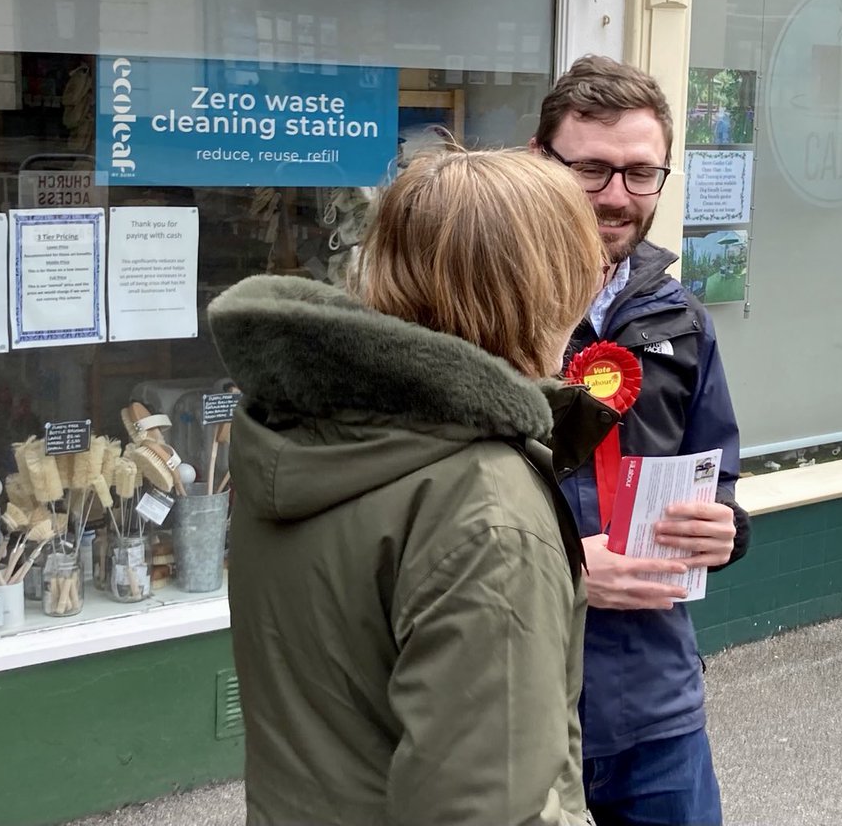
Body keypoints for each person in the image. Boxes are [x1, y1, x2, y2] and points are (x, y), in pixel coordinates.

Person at [208, 149, 618, 826]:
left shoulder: (306, 428)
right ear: (548, 288)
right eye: (588, 265)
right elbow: (484, 809)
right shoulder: (486, 505)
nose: (598, 284)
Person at [532, 56, 751, 826]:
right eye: (592, 170)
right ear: (540, 161)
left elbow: (716, 475)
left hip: (656, 703)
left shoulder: (683, 323)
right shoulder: (487, 314)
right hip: (518, 699)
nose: (617, 197)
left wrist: (726, 526)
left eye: (640, 173)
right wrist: (557, 567)